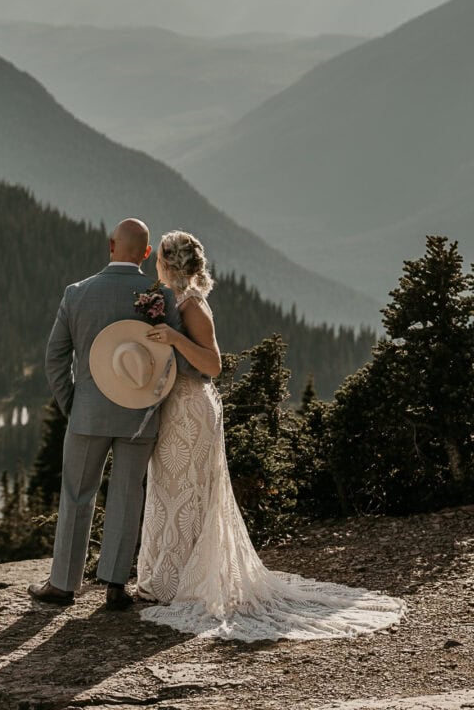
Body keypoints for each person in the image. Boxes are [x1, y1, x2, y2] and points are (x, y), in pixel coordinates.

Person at [136, 229, 406, 640]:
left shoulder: (192, 306)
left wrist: (172, 338)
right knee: (169, 489)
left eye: (160, 257)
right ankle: (163, 578)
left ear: (168, 263)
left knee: (189, 491)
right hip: (173, 407)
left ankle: (182, 582)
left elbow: (213, 365)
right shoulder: (171, 301)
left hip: (193, 409)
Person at [28, 217, 180, 610]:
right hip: (140, 414)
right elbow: (172, 360)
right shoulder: (161, 296)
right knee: (128, 494)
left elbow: (55, 358)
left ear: (111, 245)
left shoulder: (77, 293)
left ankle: (63, 585)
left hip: (88, 415)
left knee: (77, 494)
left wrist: (72, 404)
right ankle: (114, 585)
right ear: (146, 253)